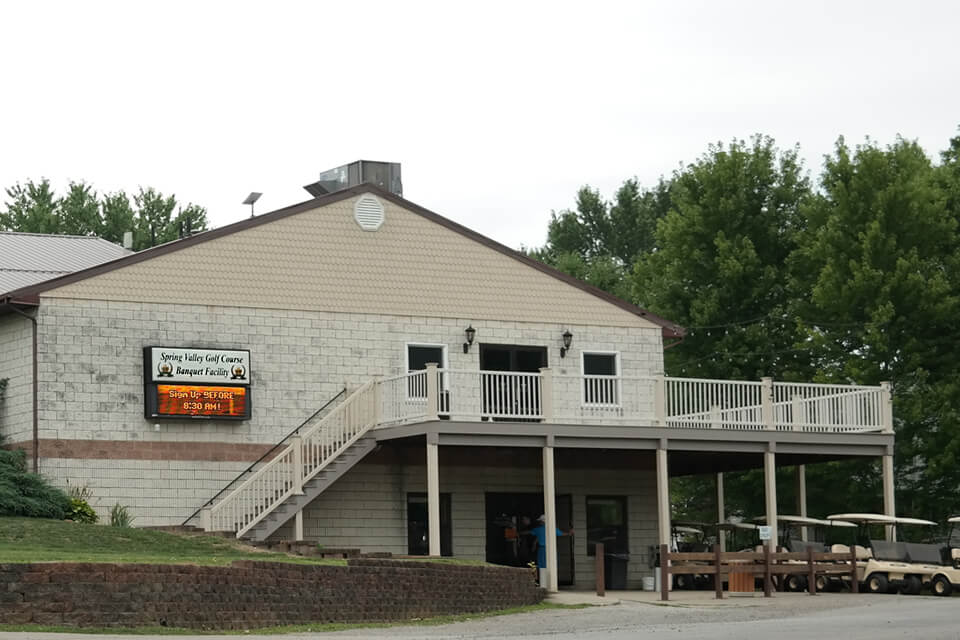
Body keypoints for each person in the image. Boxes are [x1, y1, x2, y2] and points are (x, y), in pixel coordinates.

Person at [530, 514, 573, 586]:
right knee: (551, 566)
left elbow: (529, 532)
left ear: (543, 521)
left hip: (542, 549)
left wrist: (518, 533)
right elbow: (562, 534)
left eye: (540, 521)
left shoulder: (538, 529)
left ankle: (543, 584)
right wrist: (570, 533)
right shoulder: (552, 528)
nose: (539, 523)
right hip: (551, 549)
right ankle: (551, 584)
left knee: (542, 566)